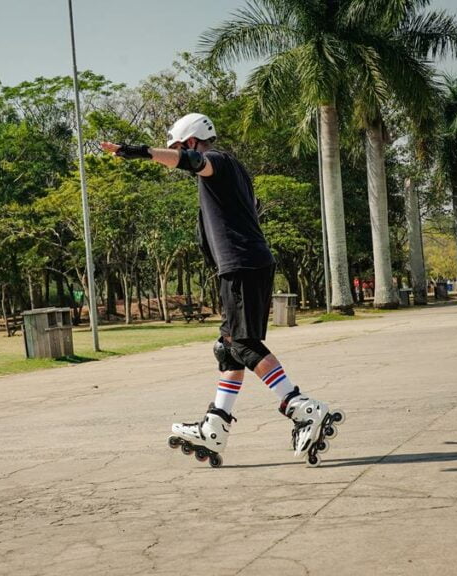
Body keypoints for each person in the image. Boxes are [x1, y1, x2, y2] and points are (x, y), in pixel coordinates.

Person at [100, 113, 344, 468]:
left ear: (193, 141)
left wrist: (135, 152)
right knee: (228, 349)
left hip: (243, 264)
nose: (176, 155)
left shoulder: (217, 162)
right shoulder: (227, 174)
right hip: (242, 265)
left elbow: (193, 162)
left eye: (179, 147)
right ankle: (215, 425)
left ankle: (300, 406)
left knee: (243, 344)